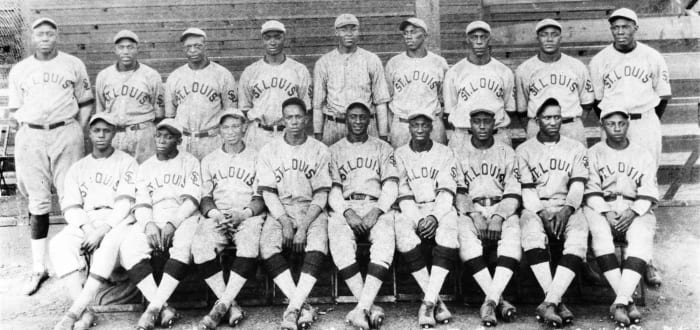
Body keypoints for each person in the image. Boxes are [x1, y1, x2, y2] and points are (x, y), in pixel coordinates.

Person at [7, 17, 94, 295]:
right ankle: (38, 267)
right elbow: (13, 111)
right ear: (33, 38)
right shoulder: (20, 69)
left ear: (56, 36)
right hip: (31, 135)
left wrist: (75, 131)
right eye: (40, 34)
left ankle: (78, 263)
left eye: (49, 33)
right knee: (38, 200)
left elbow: (86, 102)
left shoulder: (72, 64)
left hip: (65, 132)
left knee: (72, 196)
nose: (45, 38)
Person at [589, 8, 670, 286]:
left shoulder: (652, 56)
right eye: (615, 27)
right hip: (613, 123)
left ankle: (646, 259)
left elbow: (662, 97)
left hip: (645, 122)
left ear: (636, 27)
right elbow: (597, 101)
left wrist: (641, 121)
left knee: (646, 187)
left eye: (625, 27)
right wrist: (615, 123)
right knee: (610, 182)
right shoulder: (601, 59)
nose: (620, 32)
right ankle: (606, 254)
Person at [51, 113, 137, 330]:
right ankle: (85, 310)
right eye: (96, 130)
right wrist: (89, 229)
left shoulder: (126, 162)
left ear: (114, 133)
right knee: (58, 244)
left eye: (106, 130)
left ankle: (73, 313)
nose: (101, 135)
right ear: (89, 134)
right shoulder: (78, 167)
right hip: (87, 221)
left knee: (107, 245)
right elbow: (70, 206)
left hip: (117, 220)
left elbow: (125, 202)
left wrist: (102, 230)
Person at [257, 97, 332, 329]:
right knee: (267, 245)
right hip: (281, 209)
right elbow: (268, 193)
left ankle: (292, 308)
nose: (294, 122)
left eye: (298, 116)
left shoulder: (319, 149)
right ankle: (302, 305)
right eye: (289, 117)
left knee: (318, 243)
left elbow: (321, 194)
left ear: (306, 119)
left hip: (312, 208)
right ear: (283, 120)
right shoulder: (270, 149)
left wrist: (305, 226)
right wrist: (286, 223)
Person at [120, 119, 201, 330]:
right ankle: (164, 306)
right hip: (154, 216)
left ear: (179, 140)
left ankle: (152, 309)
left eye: (169, 136)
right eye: (159, 135)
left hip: (183, 216)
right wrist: (148, 224)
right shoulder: (145, 166)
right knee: (130, 248)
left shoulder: (190, 161)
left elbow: (192, 199)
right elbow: (142, 201)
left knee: (183, 247)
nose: (162, 140)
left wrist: (173, 223)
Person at [516, 98, 589, 327]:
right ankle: (555, 300)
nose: (553, 122)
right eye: (547, 117)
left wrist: (567, 209)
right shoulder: (524, 150)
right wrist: (542, 213)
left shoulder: (575, 147)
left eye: (557, 117)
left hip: (567, 204)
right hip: (536, 206)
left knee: (578, 237)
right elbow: (526, 190)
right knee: (531, 233)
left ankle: (549, 301)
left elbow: (578, 185)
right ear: (537, 121)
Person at [190, 109, 266, 329]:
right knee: (200, 247)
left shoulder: (257, 156)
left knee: (249, 247)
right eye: (225, 127)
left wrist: (243, 214)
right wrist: (215, 214)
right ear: (219, 131)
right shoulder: (210, 159)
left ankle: (220, 306)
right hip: (218, 214)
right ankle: (229, 304)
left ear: (244, 128)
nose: (231, 131)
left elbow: (260, 196)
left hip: (247, 214)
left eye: (235, 126)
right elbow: (204, 197)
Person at [583, 108, 657, 327]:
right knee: (600, 235)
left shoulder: (642, 154)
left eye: (621, 123)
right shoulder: (594, 152)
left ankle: (620, 301)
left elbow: (649, 189)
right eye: (611, 123)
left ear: (628, 124)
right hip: (601, 205)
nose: (616, 128)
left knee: (642, 236)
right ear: (603, 125)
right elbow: (591, 187)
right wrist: (606, 212)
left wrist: (633, 211)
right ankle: (626, 300)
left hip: (634, 205)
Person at [328, 102, 398, 329]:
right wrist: (347, 212)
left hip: (375, 204)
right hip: (346, 205)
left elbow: (391, 186)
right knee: (339, 241)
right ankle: (367, 306)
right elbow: (333, 190)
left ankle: (361, 309)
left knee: (385, 239)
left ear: (370, 120)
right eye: (353, 117)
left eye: (362, 117)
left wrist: (376, 212)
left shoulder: (383, 148)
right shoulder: (334, 150)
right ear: (345, 119)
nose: (357, 122)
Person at [452, 108, 521, 327]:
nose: (482, 126)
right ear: (469, 124)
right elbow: (458, 191)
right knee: (463, 234)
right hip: (472, 209)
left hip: (501, 206)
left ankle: (489, 301)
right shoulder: (458, 152)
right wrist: (473, 214)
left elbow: (513, 190)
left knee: (513, 234)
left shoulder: (507, 152)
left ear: (494, 125)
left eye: (486, 122)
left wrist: (500, 215)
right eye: (477, 122)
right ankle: (498, 300)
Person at [393, 112, 460, 328]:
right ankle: (436, 301)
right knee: (403, 234)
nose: (420, 130)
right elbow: (402, 192)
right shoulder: (400, 154)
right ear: (409, 128)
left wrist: (434, 216)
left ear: (431, 127)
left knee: (449, 232)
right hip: (412, 207)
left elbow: (447, 191)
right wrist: (419, 218)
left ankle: (428, 302)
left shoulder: (445, 152)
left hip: (439, 205)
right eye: (415, 125)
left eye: (424, 125)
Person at [313, 13, 391, 145]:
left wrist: (383, 135)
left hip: (365, 125)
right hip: (335, 124)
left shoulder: (371, 60)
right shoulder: (324, 62)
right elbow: (317, 105)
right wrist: (318, 136)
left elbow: (381, 101)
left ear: (359, 32)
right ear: (336, 32)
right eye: (344, 29)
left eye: (353, 29)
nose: (349, 34)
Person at [515, 18, 595, 145]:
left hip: (570, 126)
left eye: (554, 35)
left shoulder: (576, 66)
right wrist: (535, 126)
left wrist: (572, 123)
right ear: (537, 39)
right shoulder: (524, 69)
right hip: (538, 127)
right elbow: (522, 111)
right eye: (544, 35)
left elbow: (587, 103)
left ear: (560, 38)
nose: (549, 39)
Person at [164, 27, 238, 160]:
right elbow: (170, 115)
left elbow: (230, 112)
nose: (192, 50)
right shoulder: (175, 76)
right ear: (183, 49)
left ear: (205, 46)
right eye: (188, 47)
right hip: (184, 140)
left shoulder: (223, 74)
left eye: (197, 46)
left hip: (212, 140)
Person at [239, 20, 312, 151]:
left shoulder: (299, 70)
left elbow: (305, 107)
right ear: (262, 40)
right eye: (268, 37)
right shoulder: (251, 71)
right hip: (259, 133)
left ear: (284, 38)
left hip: (288, 132)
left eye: (277, 37)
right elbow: (244, 108)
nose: (272, 42)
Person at [95, 29, 165, 163]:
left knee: (144, 176)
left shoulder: (151, 75)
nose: (125, 52)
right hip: (114, 134)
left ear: (137, 49)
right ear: (114, 50)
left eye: (130, 47)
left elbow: (159, 113)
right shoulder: (104, 76)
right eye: (121, 47)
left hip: (143, 133)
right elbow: (101, 110)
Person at [443, 20, 516, 149]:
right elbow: (450, 110)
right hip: (464, 135)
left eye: (483, 37)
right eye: (474, 37)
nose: (479, 41)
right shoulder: (454, 72)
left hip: (497, 135)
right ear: (467, 40)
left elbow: (509, 108)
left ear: (490, 40)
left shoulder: (504, 71)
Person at [385, 17, 449, 147]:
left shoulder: (439, 62)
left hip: (431, 124)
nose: (408, 36)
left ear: (425, 35)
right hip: (403, 124)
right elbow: (388, 98)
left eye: (413, 32)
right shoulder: (394, 63)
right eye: (406, 33)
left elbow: (444, 97)